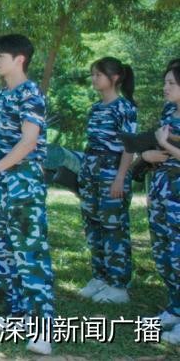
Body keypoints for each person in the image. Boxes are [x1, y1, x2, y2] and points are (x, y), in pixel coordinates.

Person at [0, 34, 54, 356]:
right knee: (0, 251)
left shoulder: (30, 93)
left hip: (21, 182)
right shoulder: (2, 95)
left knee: (30, 253)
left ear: (19, 59)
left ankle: (43, 329)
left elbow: (29, 141)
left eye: (1, 56)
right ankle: (14, 316)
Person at [77, 57, 137, 305]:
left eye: (98, 75)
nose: (94, 79)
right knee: (93, 225)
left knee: (114, 228)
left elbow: (129, 147)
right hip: (91, 170)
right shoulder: (95, 108)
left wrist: (120, 178)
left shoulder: (124, 107)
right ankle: (100, 277)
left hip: (112, 171)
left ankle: (118, 285)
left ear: (114, 78)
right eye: (92, 74)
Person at [140, 59, 180, 344]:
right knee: (165, 255)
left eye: (172, 83)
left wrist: (165, 145)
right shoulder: (168, 112)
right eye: (165, 82)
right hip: (161, 191)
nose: (165, 87)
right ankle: (174, 309)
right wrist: (147, 155)